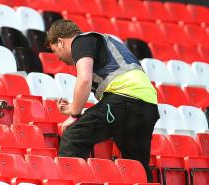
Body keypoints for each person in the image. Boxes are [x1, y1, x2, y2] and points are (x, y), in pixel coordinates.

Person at [46, 19, 159, 182]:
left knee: (73, 136)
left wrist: (74, 113)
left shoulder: (81, 41)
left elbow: (84, 79)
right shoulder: (104, 42)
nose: (57, 58)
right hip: (146, 105)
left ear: (60, 41)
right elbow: (108, 107)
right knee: (137, 166)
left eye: (54, 51)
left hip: (124, 98)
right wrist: (77, 108)